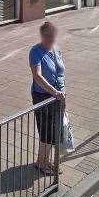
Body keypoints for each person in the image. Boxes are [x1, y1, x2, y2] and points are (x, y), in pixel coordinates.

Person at [29, 22, 65, 176]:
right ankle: (40, 162)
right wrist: (54, 92)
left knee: (53, 130)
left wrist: (62, 97)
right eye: (48, 35)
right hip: (42, 96)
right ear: (42, 36)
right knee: (45, 131)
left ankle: (46, 160)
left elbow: (60, 74)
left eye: (53, 35)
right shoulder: (35, 51)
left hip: (57, 97)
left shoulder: (56, 50)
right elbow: (37, 76)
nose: (52, 38)